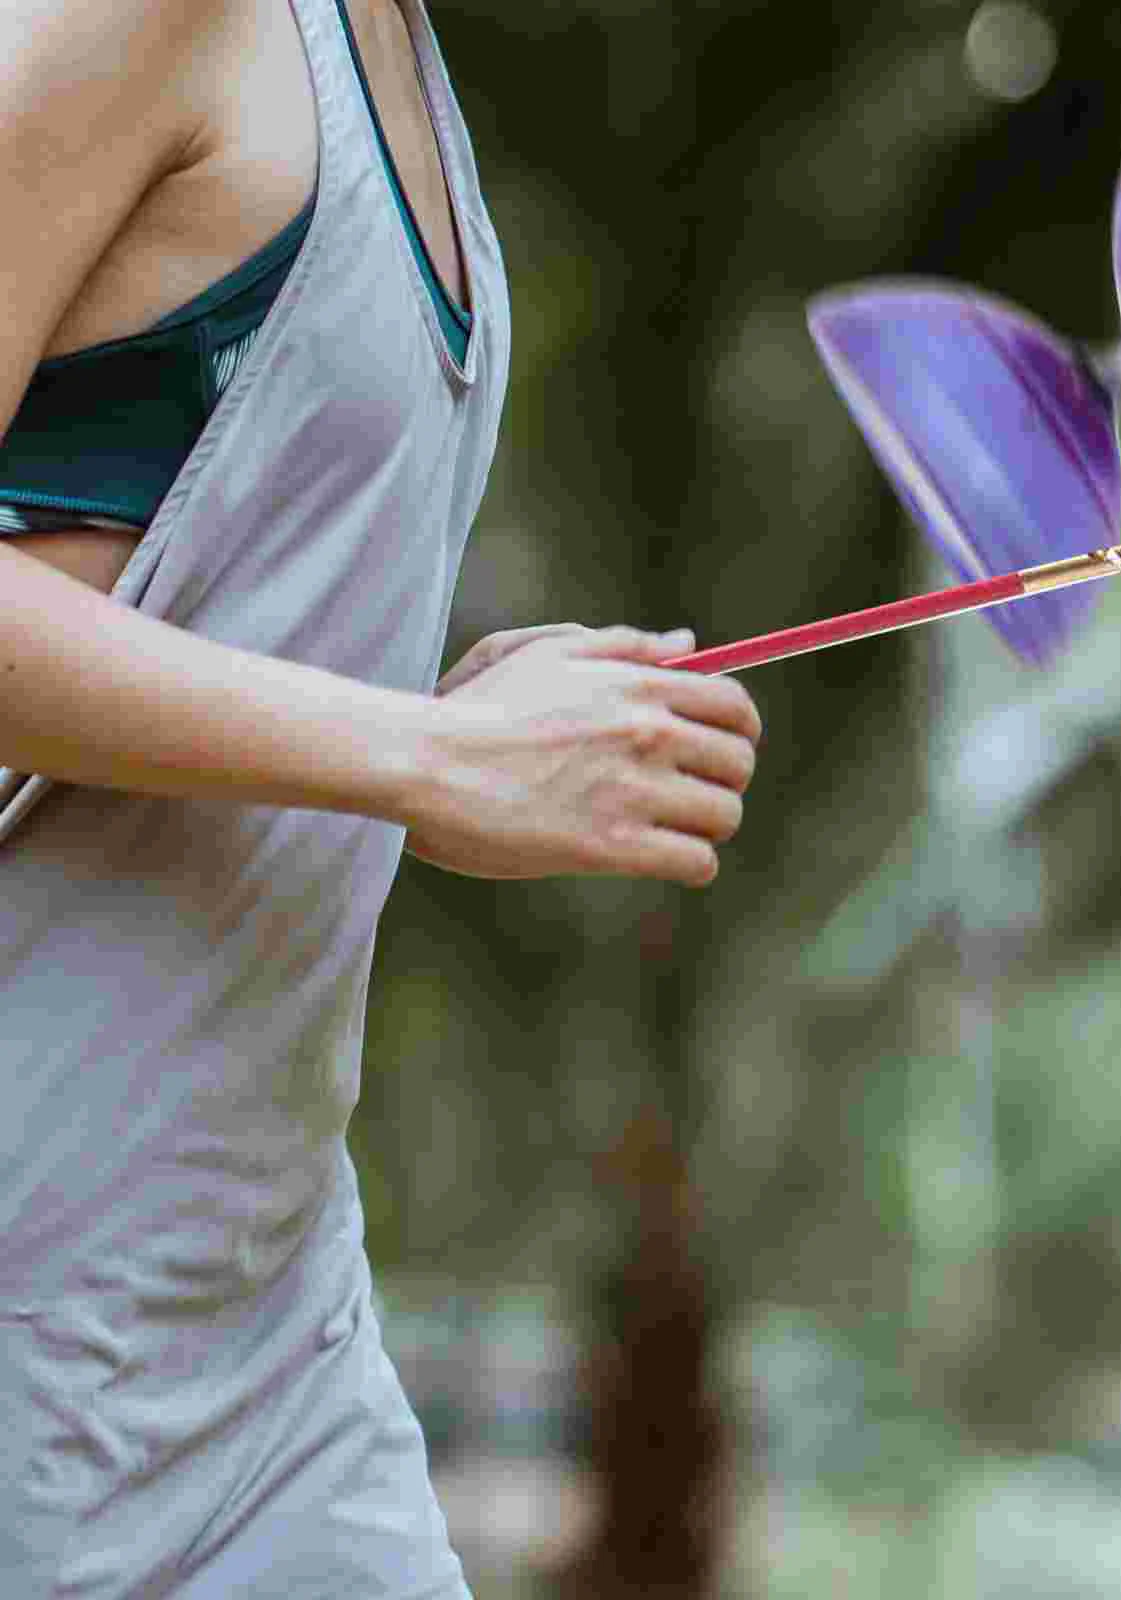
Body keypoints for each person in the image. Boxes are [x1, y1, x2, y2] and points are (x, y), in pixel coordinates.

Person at [0, 0, 760, 1593]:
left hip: (261, 1327)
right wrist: (420, 756)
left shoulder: (396, 50)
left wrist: (448, 724)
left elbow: (193, 588)